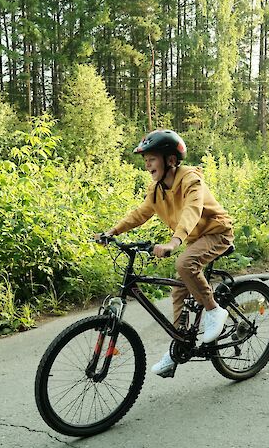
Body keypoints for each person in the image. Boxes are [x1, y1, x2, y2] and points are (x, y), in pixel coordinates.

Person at [100, 129, 234, 376]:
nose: (147, 164)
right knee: (178, 288)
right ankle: (179, 345)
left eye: (151, 158)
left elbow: (192, 210)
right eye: (145, 160)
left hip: (217, 232)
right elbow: (140, 213)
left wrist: (174, 242)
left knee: (184, 264)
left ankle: (214, 310)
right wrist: (112, 232)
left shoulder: (191, 180)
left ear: (170, 160)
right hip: (194, 238)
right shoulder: (157, 189)